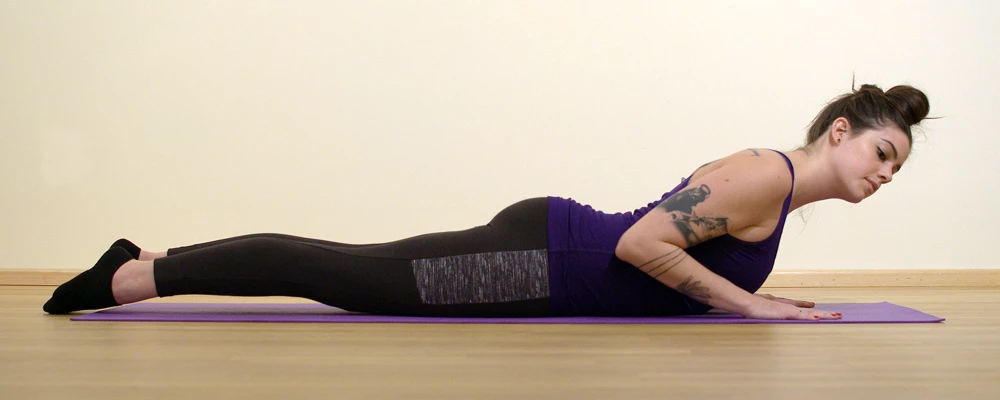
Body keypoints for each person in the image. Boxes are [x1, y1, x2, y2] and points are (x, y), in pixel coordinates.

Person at [43, 83, 929, 320]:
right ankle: (133, 274)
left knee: (340, 268)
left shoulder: (774, 187)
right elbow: (641, 246)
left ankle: (139, 266)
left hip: (547, 255)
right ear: (842, 130)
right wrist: (751, 307)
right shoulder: (765, 170)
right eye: (883, 153)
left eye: (899, 169)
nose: (884, 175)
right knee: (331, 272)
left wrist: (748, 308)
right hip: (538, 261)